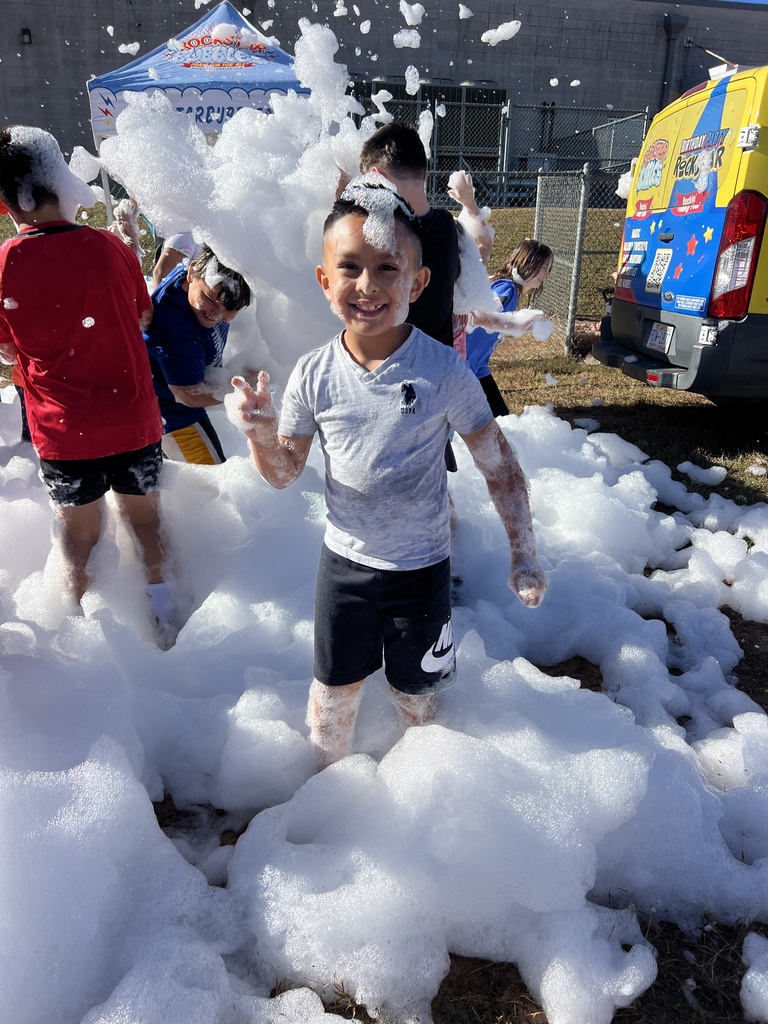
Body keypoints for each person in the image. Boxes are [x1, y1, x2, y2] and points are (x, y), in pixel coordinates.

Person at [227, 183, 548, 770]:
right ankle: (330, 796)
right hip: (344, 569)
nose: (367, 286)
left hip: (422, 570)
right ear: (324, 281)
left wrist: (522, 551)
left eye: (387, 267)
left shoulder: (443, 370)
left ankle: (419, 789)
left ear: (417, 283)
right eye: (349, 268)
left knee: (418, 696)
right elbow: (283, 472)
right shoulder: (313, 375)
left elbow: (499, 465)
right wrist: (259, 434)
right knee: (333, 695)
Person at [0, 125, 173, 640]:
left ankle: (76, 633)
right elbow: (142, 316)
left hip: (63, 430)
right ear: (62, 183)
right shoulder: (110, 249)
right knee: (145, 523)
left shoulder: (6, 264)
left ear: (10, 204)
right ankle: (163, 612)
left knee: (79, 535)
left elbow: (8, 347)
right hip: (133, 418)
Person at [143, 245, 252, 465]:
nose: (217, 314)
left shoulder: (200, 279)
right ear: (191, 273)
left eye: (230, 309)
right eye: (210, 300)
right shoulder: (175, 331)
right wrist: (236, 393)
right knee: (212, 485)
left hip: (183, 385)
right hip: (172, 413)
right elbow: (187, 395)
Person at [465, 239, 554, 417]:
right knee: (496, 420)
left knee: (499, 418)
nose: (546, 274)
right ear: (529, 263)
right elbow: (482, 316)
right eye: (544, 267)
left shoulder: (504, 284)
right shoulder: (507, 288)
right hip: (465, 368)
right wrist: (522, 324)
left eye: (548, 268)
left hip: (477, 367)